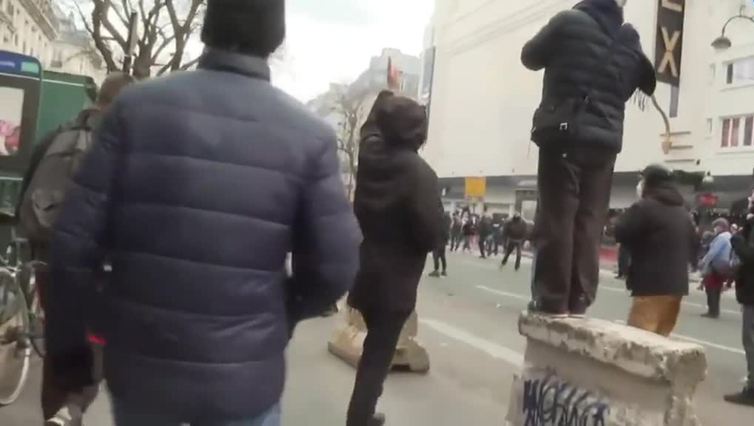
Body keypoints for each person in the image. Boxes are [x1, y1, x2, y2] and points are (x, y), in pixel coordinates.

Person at [45, 1, 362, 424]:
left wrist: (72, 351)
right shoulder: (310, 136)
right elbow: (337, 265)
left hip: (143, 369)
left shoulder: (133, 110)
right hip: (244, 380)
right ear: (276, 37)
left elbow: (70, 249)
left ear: (206, 29)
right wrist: (281, 312)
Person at [522, 0, 656, 316]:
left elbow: (529, 56)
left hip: (565, 133)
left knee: (558, 215)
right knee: (590, 220)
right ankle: (579, 299)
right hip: (606, 142)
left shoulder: (569, 21)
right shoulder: (629, 39)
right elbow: (634, 85)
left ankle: (552, 299)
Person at [15, 72, 135, 426]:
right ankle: (71, 410)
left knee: (59, 343)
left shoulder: (58, 135)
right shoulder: (120, 146)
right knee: (93, 343)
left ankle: (56, 415)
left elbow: (27, 192)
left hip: (48, 258)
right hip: (95, 266)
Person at [347, 93, 441, 426]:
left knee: (375, 348)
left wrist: (383, 101)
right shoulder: (421, 175)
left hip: (363, 272)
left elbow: (368, 132)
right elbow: (432, 233)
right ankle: (360, 417)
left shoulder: (370, 157)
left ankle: (363, 414)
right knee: (378, 355)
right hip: (396, 282)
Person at [615, 165, 698, 336]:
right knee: (661, 337)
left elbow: (620, 231)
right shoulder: (682, 212)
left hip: (651, 286)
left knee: (639, 340)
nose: (639, 185)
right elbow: (694, 244)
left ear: (650, 182)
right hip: (676, 287)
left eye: (641, 180)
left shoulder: (645, 207)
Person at [725, 189, 754, 406]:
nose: (749, 201)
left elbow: (752, 257)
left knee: (752, 339)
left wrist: (736, 240)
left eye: (752, 199)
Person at [699, 218, 733, 319]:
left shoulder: (722, 237)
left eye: (716, 226)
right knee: (717, 288)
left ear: (721, 226)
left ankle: (712, 311)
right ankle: (715, 310)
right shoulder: (729, 236)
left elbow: (713, 252)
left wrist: (704, 261)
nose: (715, 229)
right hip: (724, 266)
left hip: (716, 265)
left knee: (711, 288)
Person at [430, 208, 451, 278]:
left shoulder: (438, 222)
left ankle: (436, 270)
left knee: (435, 256)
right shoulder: (446, 222)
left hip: (437, 241)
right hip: (443, 241)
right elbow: (446, 233)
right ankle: (444, 270)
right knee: (442, 256)